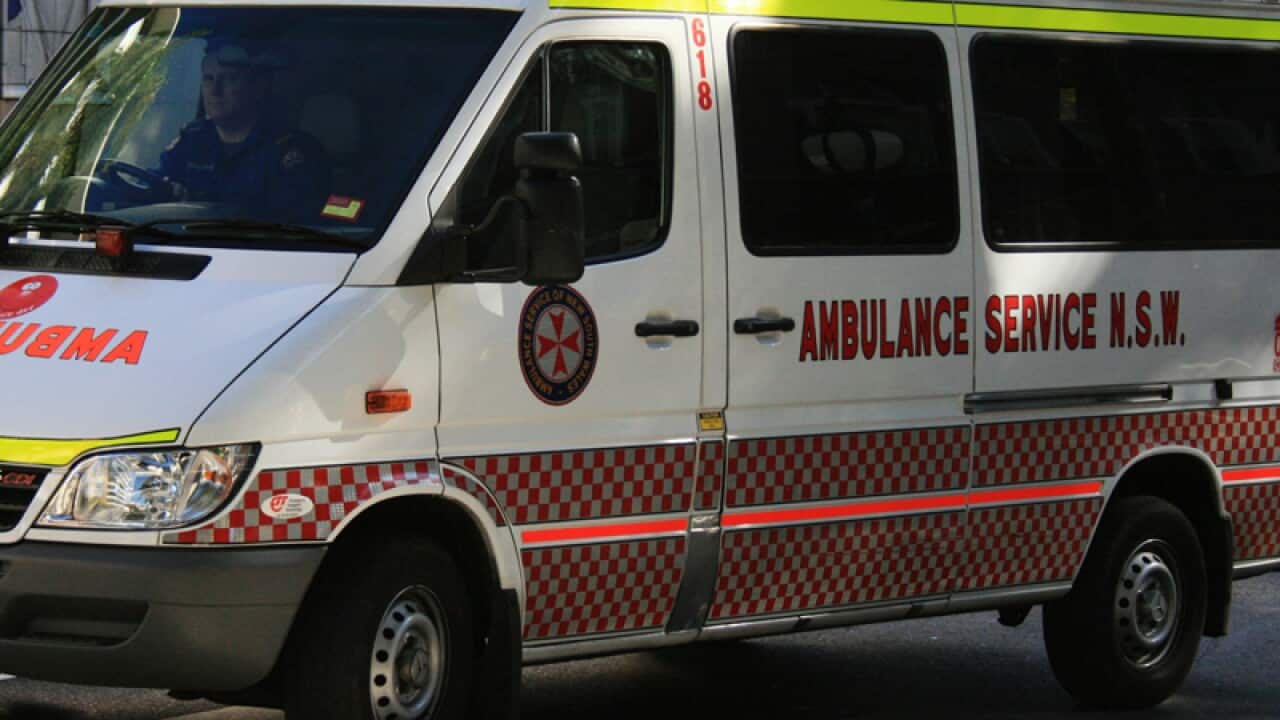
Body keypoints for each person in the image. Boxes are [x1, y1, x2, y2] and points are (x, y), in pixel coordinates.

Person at [158, 38, 330, 222]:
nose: (215, 91)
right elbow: (157, 185)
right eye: (209, 79)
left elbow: (292, 224)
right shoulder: (192, 140)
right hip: (186, 241)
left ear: (257, 87)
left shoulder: (288, 151)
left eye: (230, 79)